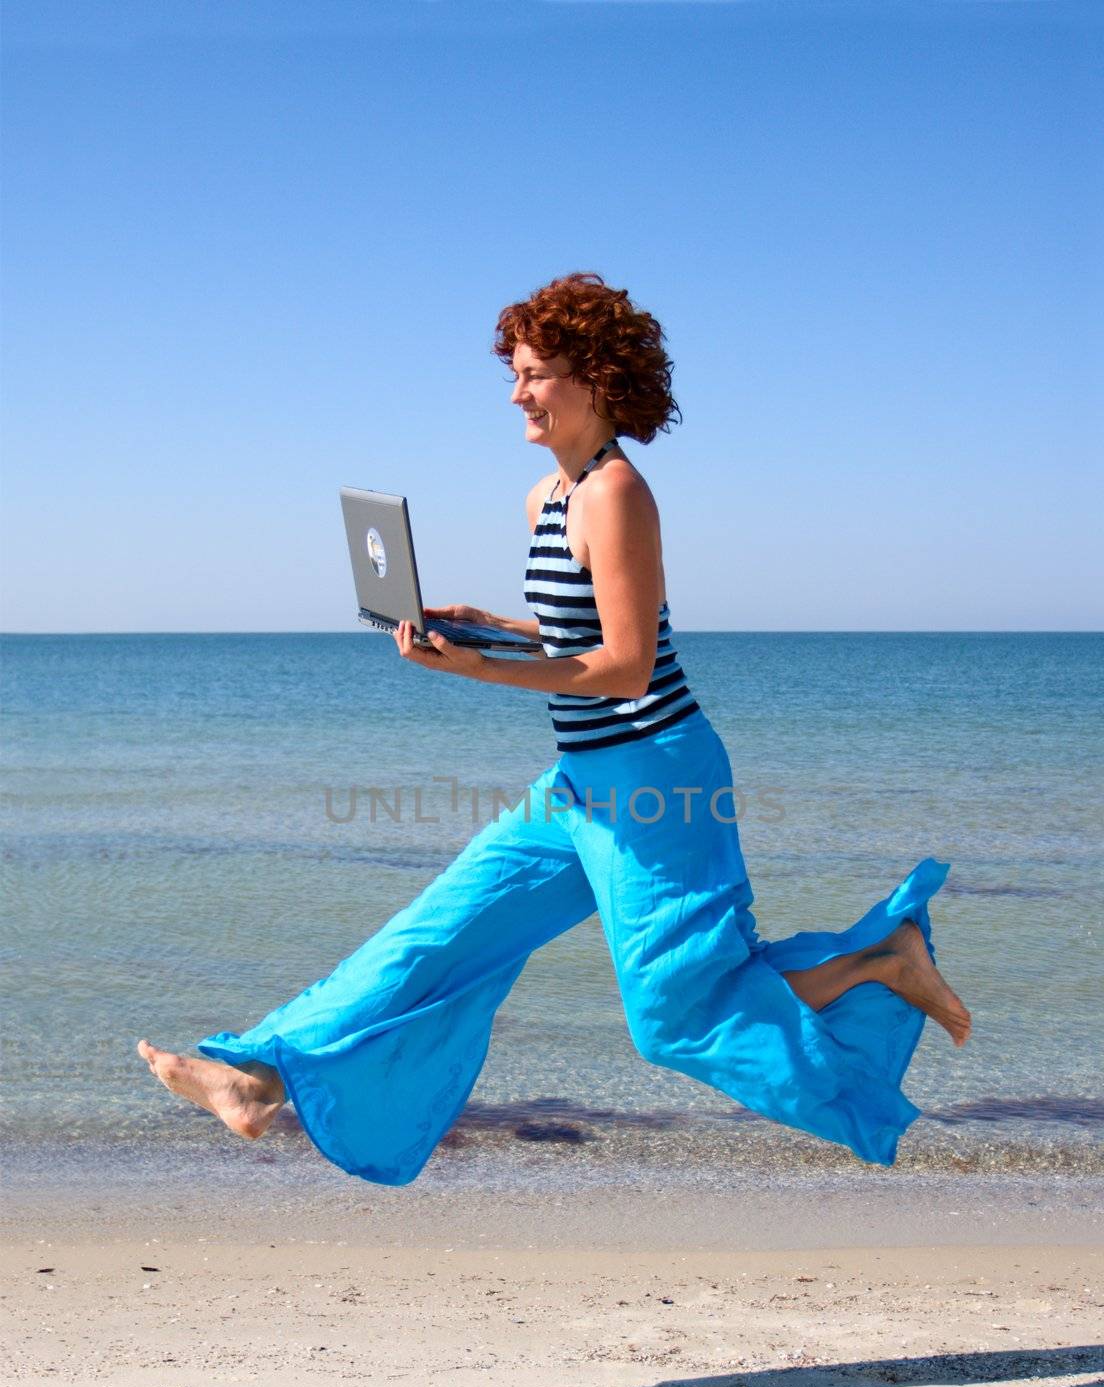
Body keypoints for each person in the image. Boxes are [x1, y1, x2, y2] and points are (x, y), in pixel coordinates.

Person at [138, 271, 971, 1184]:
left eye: (536, 373)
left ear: (597, 378)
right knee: (435, 936)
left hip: (660, 778)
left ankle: (879, 959)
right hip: (578, 782)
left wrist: (482, 670)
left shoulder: (619, 494)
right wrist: (488, 624)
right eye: (516, 373)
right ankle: (257, 1074)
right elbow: (583, 622)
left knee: (677, 1021)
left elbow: (627, 666)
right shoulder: (547, 498)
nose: (517, 393)